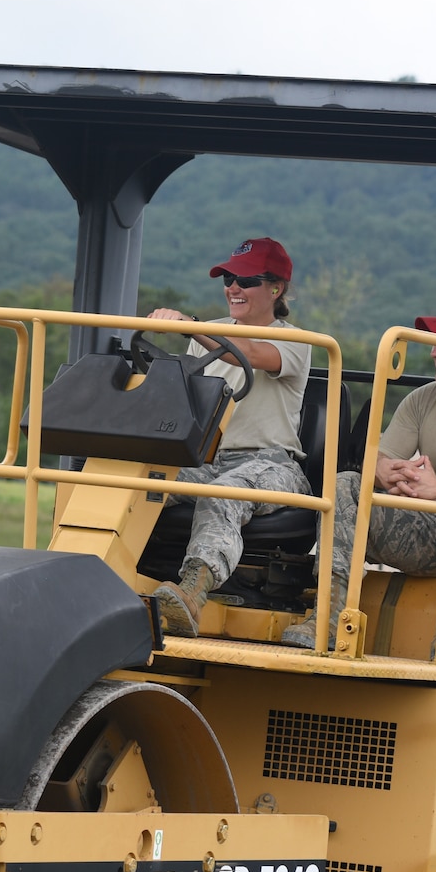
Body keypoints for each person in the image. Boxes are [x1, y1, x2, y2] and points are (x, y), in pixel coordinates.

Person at [282, 299, 436, 654]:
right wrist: (381, 469)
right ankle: (328, 617)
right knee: (346, 485)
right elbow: (379, 459)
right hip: (424, 533)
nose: (434, 352)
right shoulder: (421, 401)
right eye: (434, 341)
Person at [145, 237, 313, 636]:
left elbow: (251, 355)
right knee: (139, 480)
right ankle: (100, 573)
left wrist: (191, 326)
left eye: (246, 280)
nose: (232, 288)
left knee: (224, 493)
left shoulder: (298, 341)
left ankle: (191, 593)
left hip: (270, 463)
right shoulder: (207, 332)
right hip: (206, 460)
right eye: (228, 279)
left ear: (276, 289)